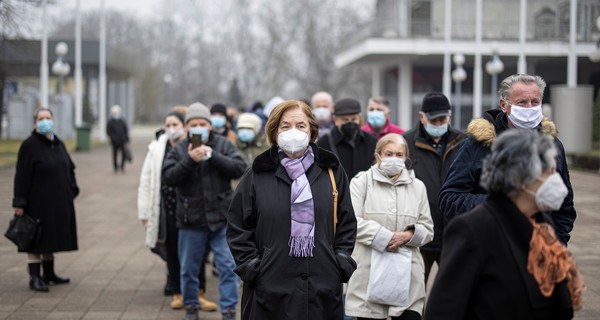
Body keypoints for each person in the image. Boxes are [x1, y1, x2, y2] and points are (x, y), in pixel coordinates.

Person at [426, 129, 585, 319]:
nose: (557, 180)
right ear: (522, 178)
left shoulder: (543, 224)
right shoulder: (473, 229)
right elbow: (443, 310)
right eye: (549, 172)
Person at [227, 100, 358, 320]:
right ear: (274, 131)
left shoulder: (331, 171)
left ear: (312, 130)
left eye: (300, 125)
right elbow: (237, 225)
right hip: (270, 289)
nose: (293, 132)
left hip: (321, 287)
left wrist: (340, 262)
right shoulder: (258, 174)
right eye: (285, 126)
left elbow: (347, 222)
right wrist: (253, 267)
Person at [439, 74, 576, 245]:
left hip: (538, 249)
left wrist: (557, 243)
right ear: (504, 105)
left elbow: (565, 205)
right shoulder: (477, 145)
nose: (529, 108)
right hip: (491, 248)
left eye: (535, 102)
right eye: (522, 102)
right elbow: (449, 199)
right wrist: (500, 204)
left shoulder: (553, 145)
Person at [162, 102, 246, 320]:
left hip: (221, 220)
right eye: (193, 124)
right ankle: (191, 307)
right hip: (191, 221)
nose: (198, 127)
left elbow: (239, 168)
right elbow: (169, 177)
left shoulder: (222, 145)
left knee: (228, 267)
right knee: (188, 269)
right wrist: (190, 160)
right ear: (187, 127)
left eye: (203, 123)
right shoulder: (179, 149)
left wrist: (213, 156)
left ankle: (228, 310)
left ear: (210, 126)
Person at [137, 109, 219, 311]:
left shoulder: (193, 144)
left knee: (196, 254)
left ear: (184, 126)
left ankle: (199, 293)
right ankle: (177, 292)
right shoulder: (157, 148)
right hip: (167, 209)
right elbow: (146, 180)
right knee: (173, 252)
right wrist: (144, 211)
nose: (171, 129)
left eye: (175, 125)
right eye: (168, 126)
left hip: (192, 209)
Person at [345, 133, 433, 320]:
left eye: (399, 154)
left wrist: (408, 236)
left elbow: (427, 228)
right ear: (378, 156)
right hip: (368, 276)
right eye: (389, 153)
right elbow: (352, 221)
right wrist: (385, 238)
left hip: (408, 277)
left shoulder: (418, 187)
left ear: (406, 158)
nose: (394, 158)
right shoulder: (361, 182)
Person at [12, 108, 79, 292]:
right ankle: (35, 277)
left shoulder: (58, 143)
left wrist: (72, 189)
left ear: (53, 120)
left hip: (57, 201)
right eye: (41, 119)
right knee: (36, 238)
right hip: (36, 202)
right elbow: (22, 176)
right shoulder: (29, 145)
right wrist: (19, 202)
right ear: (35, 123)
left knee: (51, 236)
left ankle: (49, 273)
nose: (45, 121)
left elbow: (69, 167)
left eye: (48, 118)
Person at [402, 92, 465, 282]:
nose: (439, 124)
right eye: (434, 120)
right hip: (419, 234)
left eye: (443, 119)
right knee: (413, 292)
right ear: (422, 117)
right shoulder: (405, 143)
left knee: (454, 291)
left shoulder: (463, 142)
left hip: (455, 233)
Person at [317, 98, 378, 179]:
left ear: (359, 118)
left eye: (353, 119)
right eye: (345, 120)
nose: (350, 123)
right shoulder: (323, 143)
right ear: (335, 119)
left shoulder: (371, 141)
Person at [106, 105, 130, 173]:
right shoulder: (110, 122)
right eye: (115, 112)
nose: (116, 114)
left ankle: (122, 166)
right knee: (115, 154)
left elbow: (125, 130)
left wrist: (126, 139)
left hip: (122, 141)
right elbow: (108, 131)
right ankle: (115, 167)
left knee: (123, 154)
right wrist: (113, 137)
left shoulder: (122, 121)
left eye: (117, 112)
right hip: (114, 141)